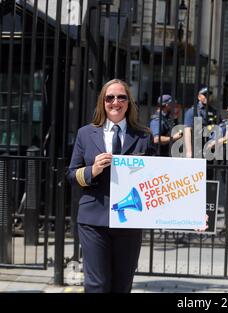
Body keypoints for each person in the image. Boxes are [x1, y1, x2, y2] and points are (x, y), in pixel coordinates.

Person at [67, 79, 155, 293]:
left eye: (121, 97)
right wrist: (92, 170)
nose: (115, 102)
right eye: (110, 98)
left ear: (129, 103)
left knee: (122, 285)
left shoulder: (144, 136)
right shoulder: (85, 133)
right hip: (93, 220)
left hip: (129, 222)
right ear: (102, 102)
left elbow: (158, 177)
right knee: (97, 285)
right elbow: (71, 174)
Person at [184, 87, 218, 158]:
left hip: (211, 149)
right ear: (199, 97)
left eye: (209, 95)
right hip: (197, 147)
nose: (207, 97)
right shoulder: (192, 111)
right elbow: (187, 131)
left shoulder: (215, 112)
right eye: (205, 95)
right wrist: (189, 151)